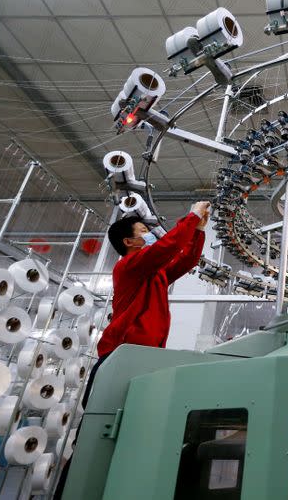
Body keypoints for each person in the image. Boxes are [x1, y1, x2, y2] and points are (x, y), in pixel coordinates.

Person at [54, 201, 209, 499]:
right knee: (93, 442)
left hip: (143, 359)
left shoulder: (154, 274)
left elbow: (185, 260)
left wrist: (199, 231)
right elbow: (167, 248)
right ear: (129, 242)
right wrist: (190, 216)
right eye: (144, 231)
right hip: (119, 359)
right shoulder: (129, 267)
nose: (150, 235)